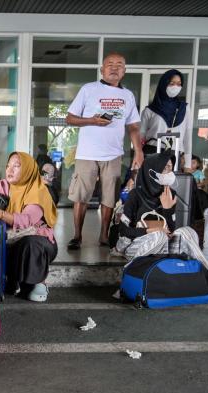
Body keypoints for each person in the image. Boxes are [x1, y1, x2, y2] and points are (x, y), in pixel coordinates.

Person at [65, 52, 143, 250]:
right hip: (87, 154)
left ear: (124, 71)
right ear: (102, 69)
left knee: (109, 197)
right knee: (81, 196)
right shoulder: (89, 89)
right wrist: (92, 120)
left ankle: (104, 236)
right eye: (110, 64)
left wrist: (139, 151)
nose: (114, 67)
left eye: (119, 64)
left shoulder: (128, 95)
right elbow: (70, 118)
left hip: (113, 154)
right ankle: (77, 236)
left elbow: (133, 126)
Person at [113, 150, 208, 278]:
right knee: (159, 236)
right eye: (165, 167)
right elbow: (123, 230)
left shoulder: (169, 193)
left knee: (187, 232)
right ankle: (130, 275)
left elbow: (171, 231)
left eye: (171, 168)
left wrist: (167, 209)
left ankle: (206, 279)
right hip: (136, 245)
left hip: (162, 246)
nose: (169, 172)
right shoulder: (136, 195)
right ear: (151, 170)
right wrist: (151, 230)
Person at [0, 152, 58, 302]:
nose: (10, 170)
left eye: (16, 166)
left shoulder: (38, 190)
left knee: (30, 243)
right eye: (8, 166)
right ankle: (12, 280)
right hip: (12, 238)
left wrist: (0, 214)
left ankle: (38, 283)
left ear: (27, 169)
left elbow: (27, 220)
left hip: (39, 243)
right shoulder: (3, 185)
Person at [140, 69, 192, 164]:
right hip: (152, 152)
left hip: (174, 155)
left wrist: (188, 163)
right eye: (172, 83)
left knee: (170, 179)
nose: (176, 87)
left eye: (179, 84)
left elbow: (188, 136)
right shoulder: (149, 110)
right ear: (163, 84)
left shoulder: (184, 108)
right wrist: (137, 156)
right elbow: (140, 136)